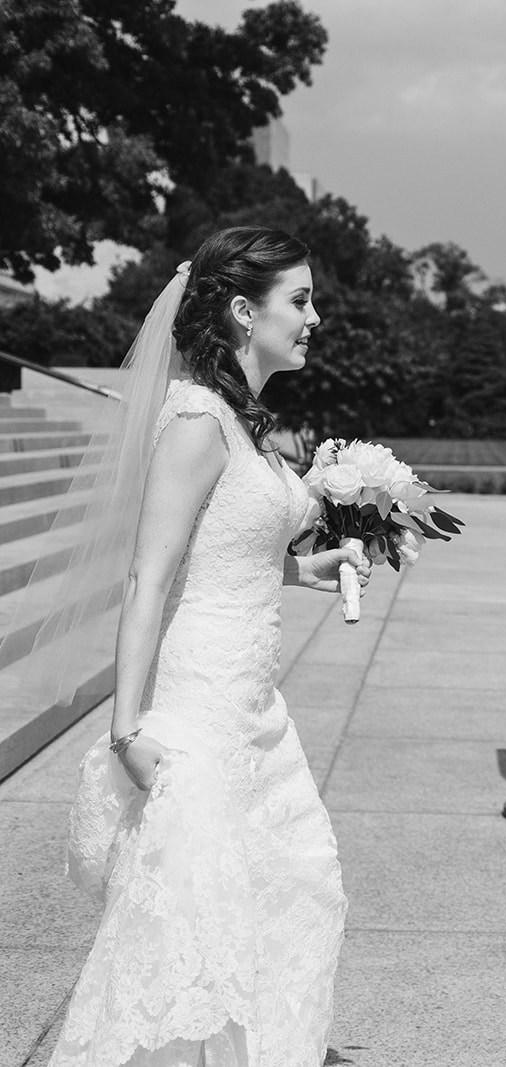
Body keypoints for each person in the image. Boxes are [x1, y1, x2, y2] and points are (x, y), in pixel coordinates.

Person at [37, 226, 367, 1066]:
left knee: (291, 885)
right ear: (240, 310)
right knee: (187, 933)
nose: (315, 317)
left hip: (256, 706)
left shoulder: (243, 420)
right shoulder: (194, 418)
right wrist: (126, 730)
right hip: (199, 708)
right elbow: (150, 578)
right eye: (300, 300)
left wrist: (309, 567)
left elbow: (231, 553)